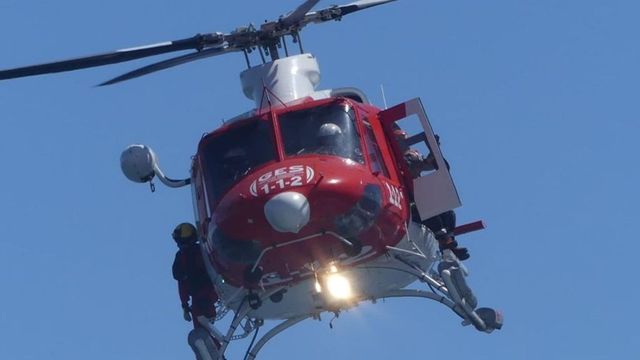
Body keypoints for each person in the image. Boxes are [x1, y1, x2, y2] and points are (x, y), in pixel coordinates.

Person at [392, 126, 470, 261]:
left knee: (448, 212)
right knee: (427, 211)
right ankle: (443, 239)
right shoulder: (392, 159)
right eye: (400, 142)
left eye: (405, 141)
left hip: (418, 196)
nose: (404, 145)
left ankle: (448, 240)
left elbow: (428, 164)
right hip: (404, 199)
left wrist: (434, 149)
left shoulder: (412, 156)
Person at [172, 223, 221, 350]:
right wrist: (185, 305)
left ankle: (212, 352)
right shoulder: (190, 254)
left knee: (201, 329)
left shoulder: (198, 252)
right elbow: (181, 282)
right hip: (203, 297)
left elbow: (182, 282)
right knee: (202, 329)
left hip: (204, 296)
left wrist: (185, 305)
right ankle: (212, 352)